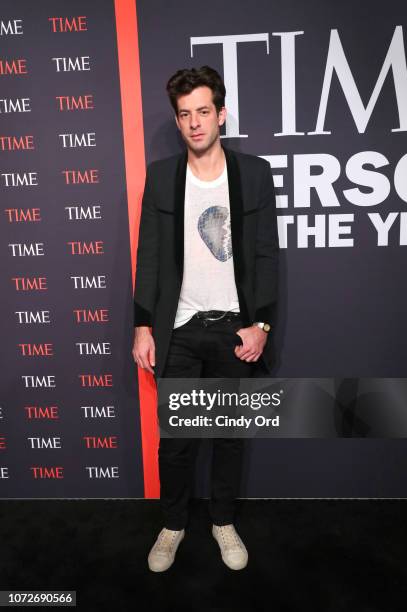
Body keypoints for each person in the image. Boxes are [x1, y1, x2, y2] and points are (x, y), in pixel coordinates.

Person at [132, 66, 279, 572]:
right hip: (180, 330)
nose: (195, 123)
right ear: (178, 120)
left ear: (220, 114)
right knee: (176, 441)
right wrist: (143, 326)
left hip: (235, 329)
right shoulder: (162, 176)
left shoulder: (254, 174)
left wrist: (261, 325)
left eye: (203, 112)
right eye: (184, 114)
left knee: (229, 437)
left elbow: (264, 255)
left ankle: (222, 521)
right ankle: (172, 524)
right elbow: (149, 255)